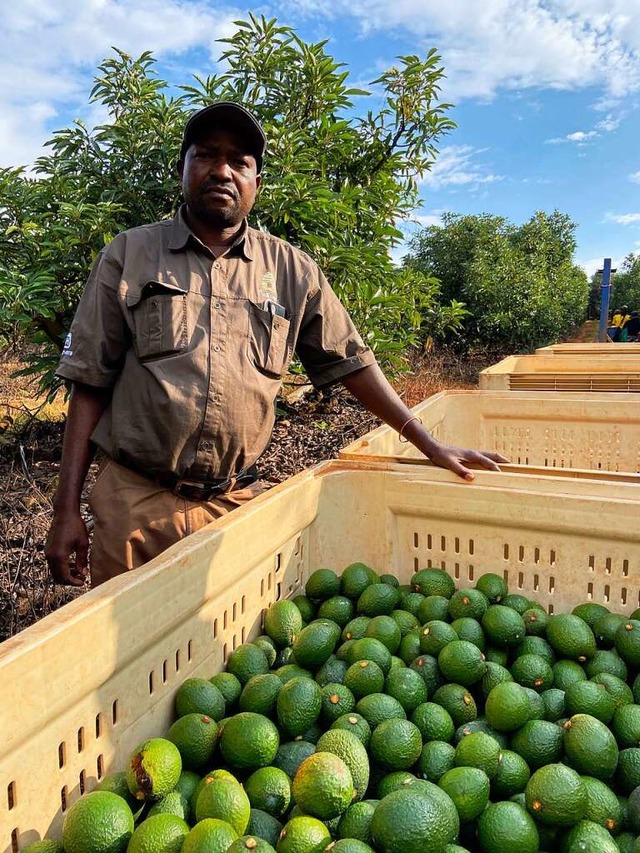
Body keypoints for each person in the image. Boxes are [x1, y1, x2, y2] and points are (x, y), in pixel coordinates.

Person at [45, 102, 506, 588]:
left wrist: (427, 443)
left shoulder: (291, 270)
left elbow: (351, 362)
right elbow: (89, 381)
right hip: (133, 505)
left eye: (239, 161)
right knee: (129, 654)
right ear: (182, 170)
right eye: (205, 155)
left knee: (226, 648)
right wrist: (65, 510)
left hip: (234, 507)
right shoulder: (130, 254)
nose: (221, 170)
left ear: (256, 183)